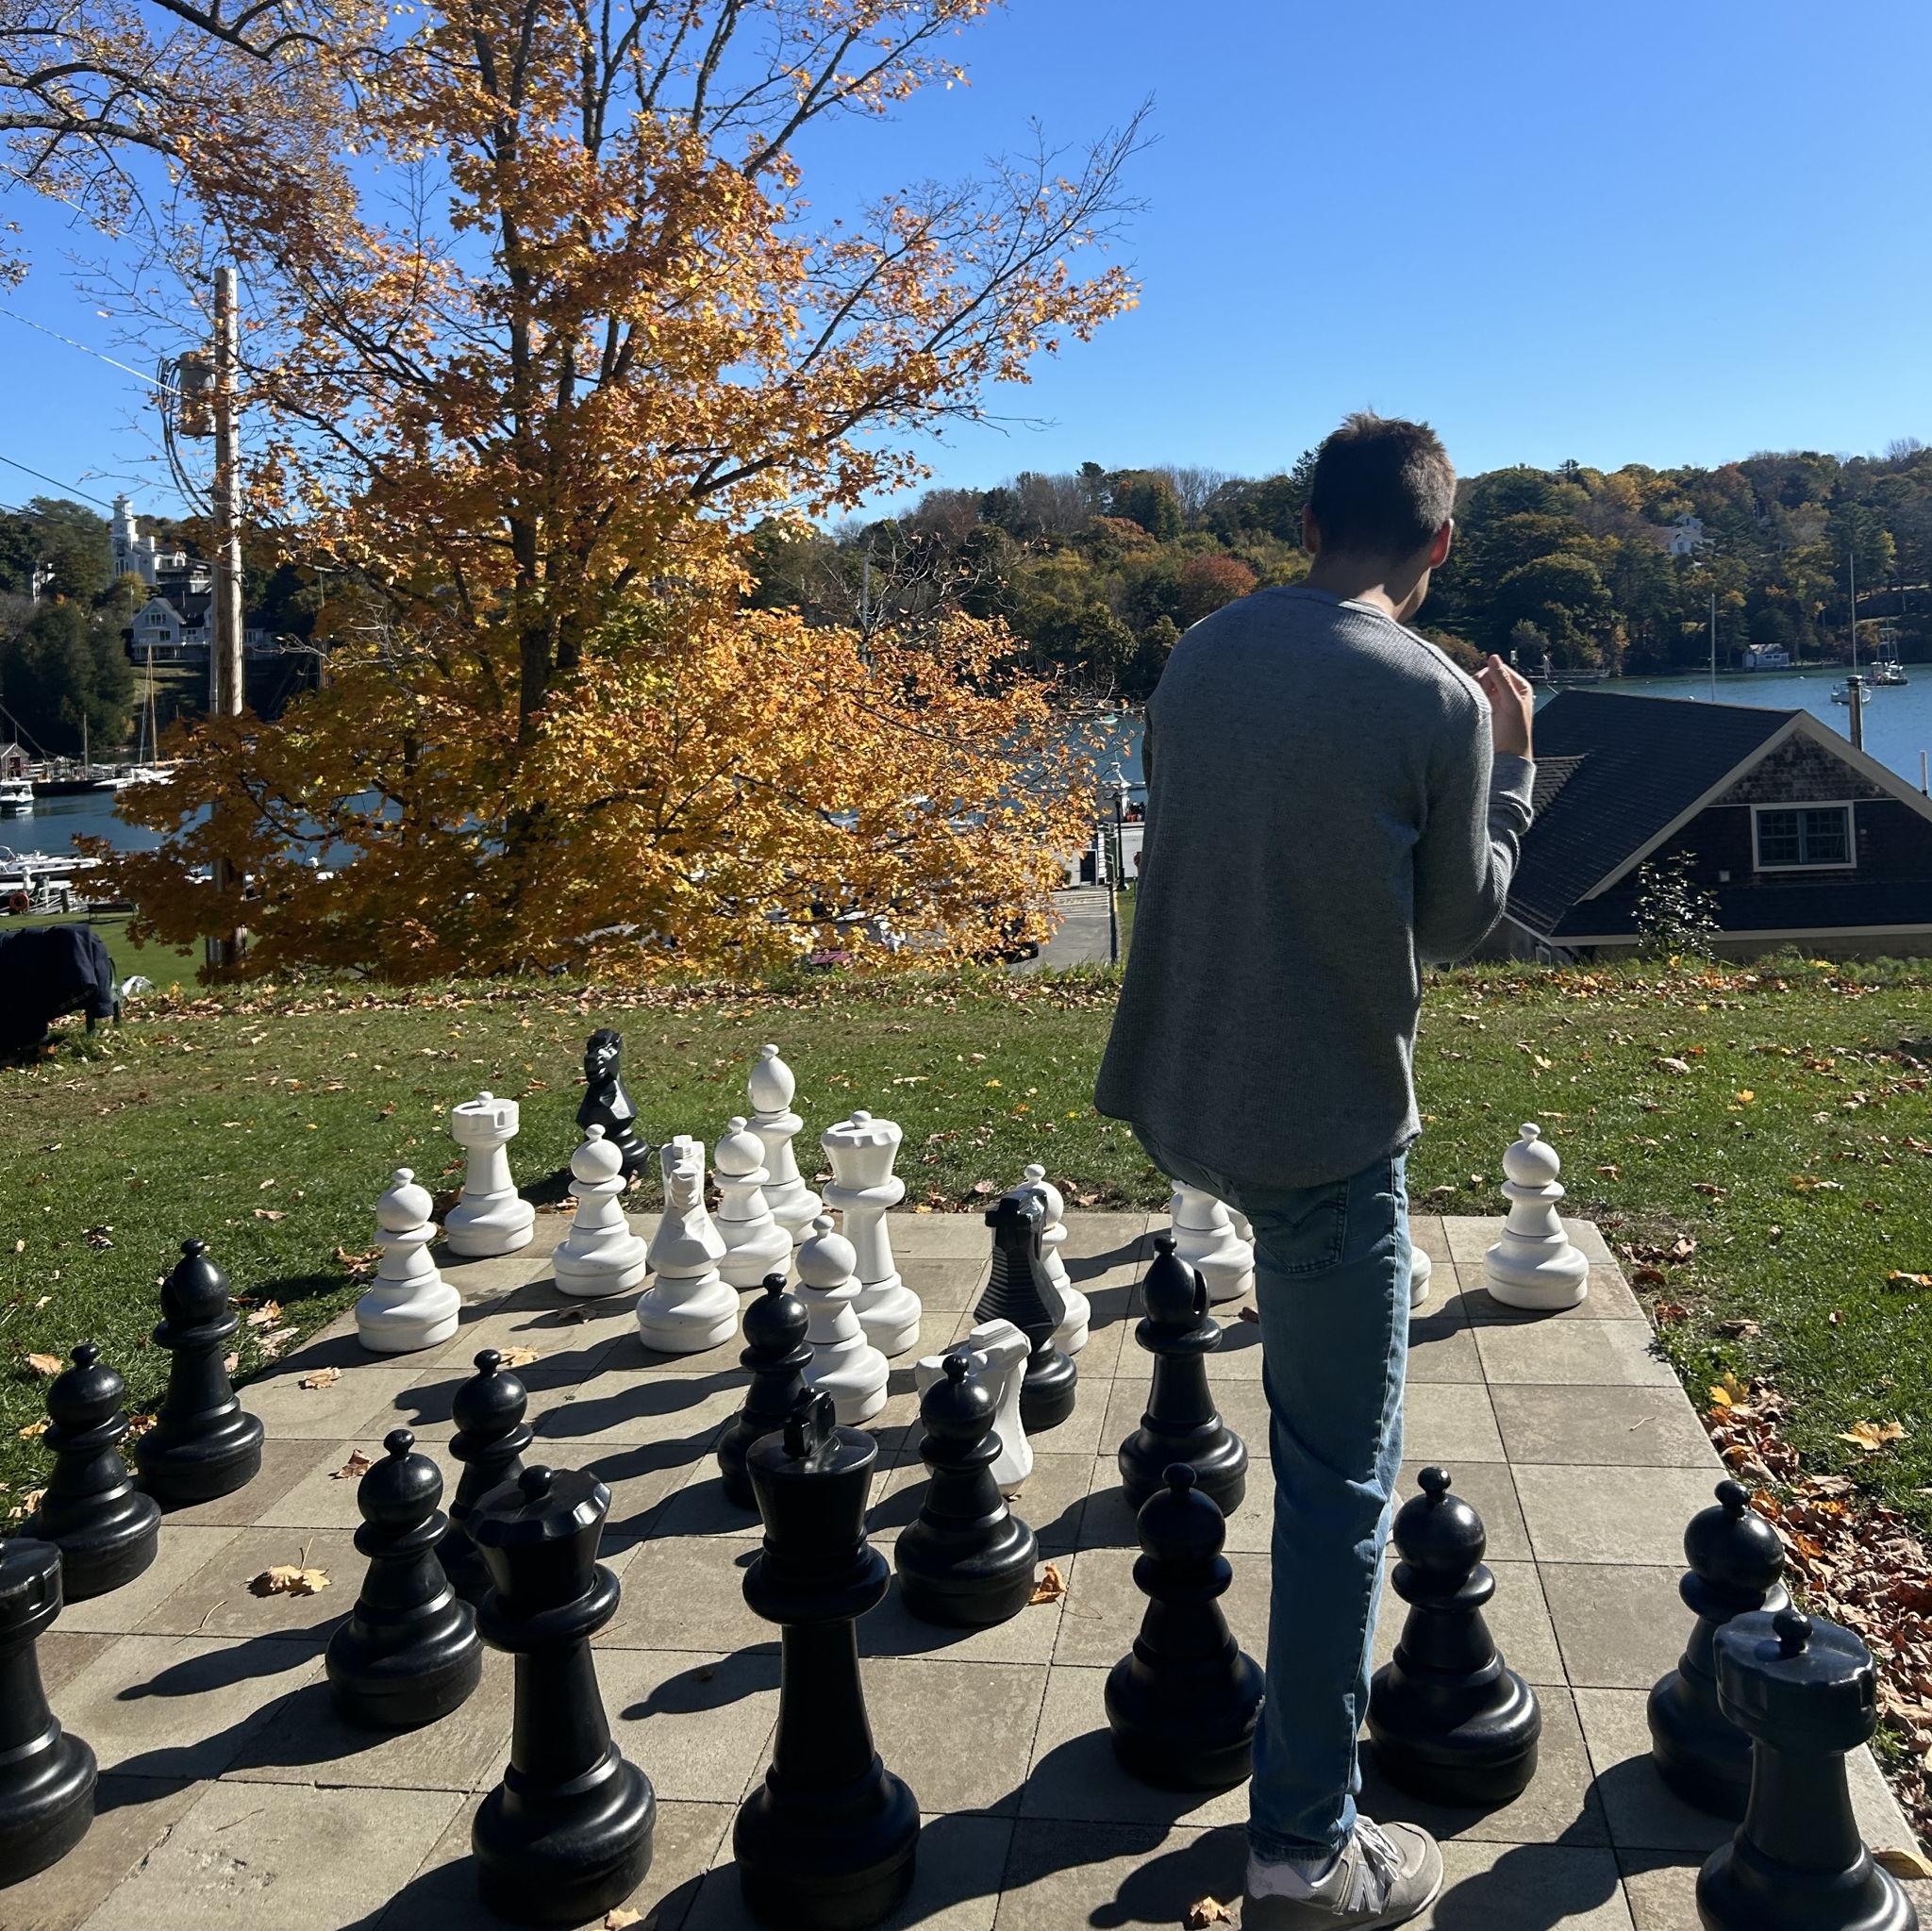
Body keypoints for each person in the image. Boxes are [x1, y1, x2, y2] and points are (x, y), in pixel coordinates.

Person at [1094, 413, 1535, 1929]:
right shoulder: (1436, 697)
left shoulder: (1203, 656)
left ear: (1305, 526)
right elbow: (1461, 923)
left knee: (1272, 1417)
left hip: (1190, 1091)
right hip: (1331, 1127)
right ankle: (1302, 1852)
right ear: (1437, 543)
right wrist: (1516, 769)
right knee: (1337, 1486)